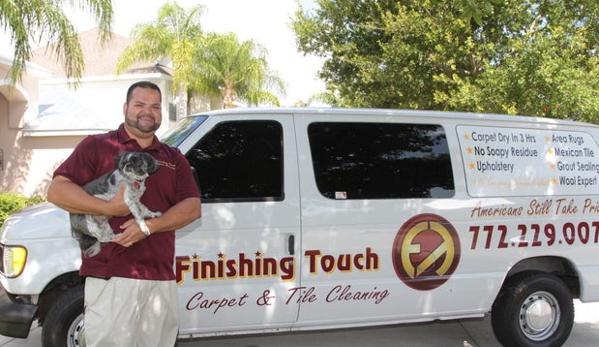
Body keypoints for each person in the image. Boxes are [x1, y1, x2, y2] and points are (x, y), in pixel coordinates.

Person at [47, 80, 202, 347]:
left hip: (159, 277)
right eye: (140, 104)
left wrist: (148, 227)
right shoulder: (97, 146)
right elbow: (57, 191)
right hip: (111, 275)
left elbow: (192, 207)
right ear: (125, 108)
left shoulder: (172, 157)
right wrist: (108, 208)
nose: (147, 111)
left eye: (155, 106)